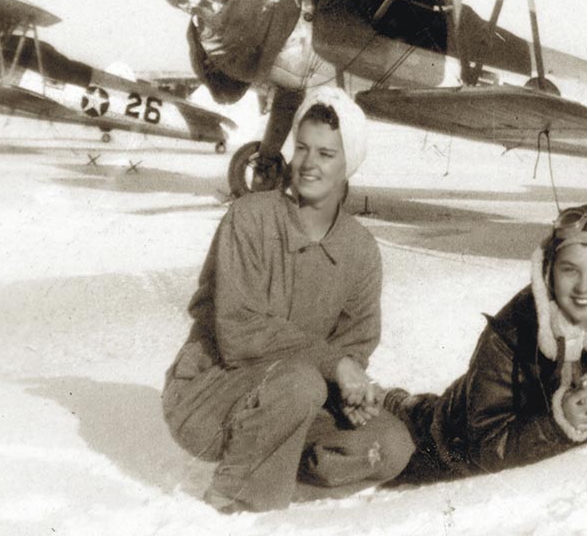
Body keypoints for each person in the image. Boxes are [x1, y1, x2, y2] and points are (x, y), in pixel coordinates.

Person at [161, 86, 412, 512]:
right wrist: (335, 366)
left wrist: (350, 396)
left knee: (390, 445)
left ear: (349, 163)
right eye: (302, 149)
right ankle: (233, 499)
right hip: (208, 396)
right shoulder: (250, 217)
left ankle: (275, 473)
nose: (309, 164)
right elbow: (239, 330)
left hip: (296, 398)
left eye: (327, 154)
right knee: (300, 381)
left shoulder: (361, 250)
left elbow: (353, 345)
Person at [383, 203, 587, 483]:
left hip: (507, 432)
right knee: (411, 429)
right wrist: (560, 421)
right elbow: (488, 445)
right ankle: (395, 402)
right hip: (451, 441)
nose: (583, 287)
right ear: (549, 274)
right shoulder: (510, 333)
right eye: (569, 270)